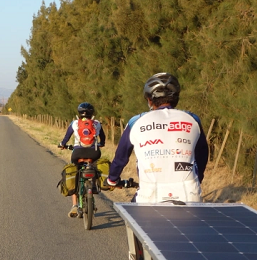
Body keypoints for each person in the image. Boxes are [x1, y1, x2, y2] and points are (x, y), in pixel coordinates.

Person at [106, 73, 209, 203]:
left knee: (132, 220)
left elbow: (121, 158)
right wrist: (197, 180)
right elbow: (202, 156)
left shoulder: (136, 122)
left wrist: (112, 179)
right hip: (189, 193)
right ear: (176, 98)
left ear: (149, 100)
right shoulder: (192, 119)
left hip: (149, 195)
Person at [59, 102, 106, 217]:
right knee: (94, 168)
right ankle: (93, 186)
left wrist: (62, 144)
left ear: (79, 113)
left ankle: (75, 205)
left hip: (77, 153)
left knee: (74, 172)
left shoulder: (75, 123)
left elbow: (66, 138)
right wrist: (100, 144)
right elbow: (103, 138)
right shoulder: (97, 123)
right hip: (94, 153)